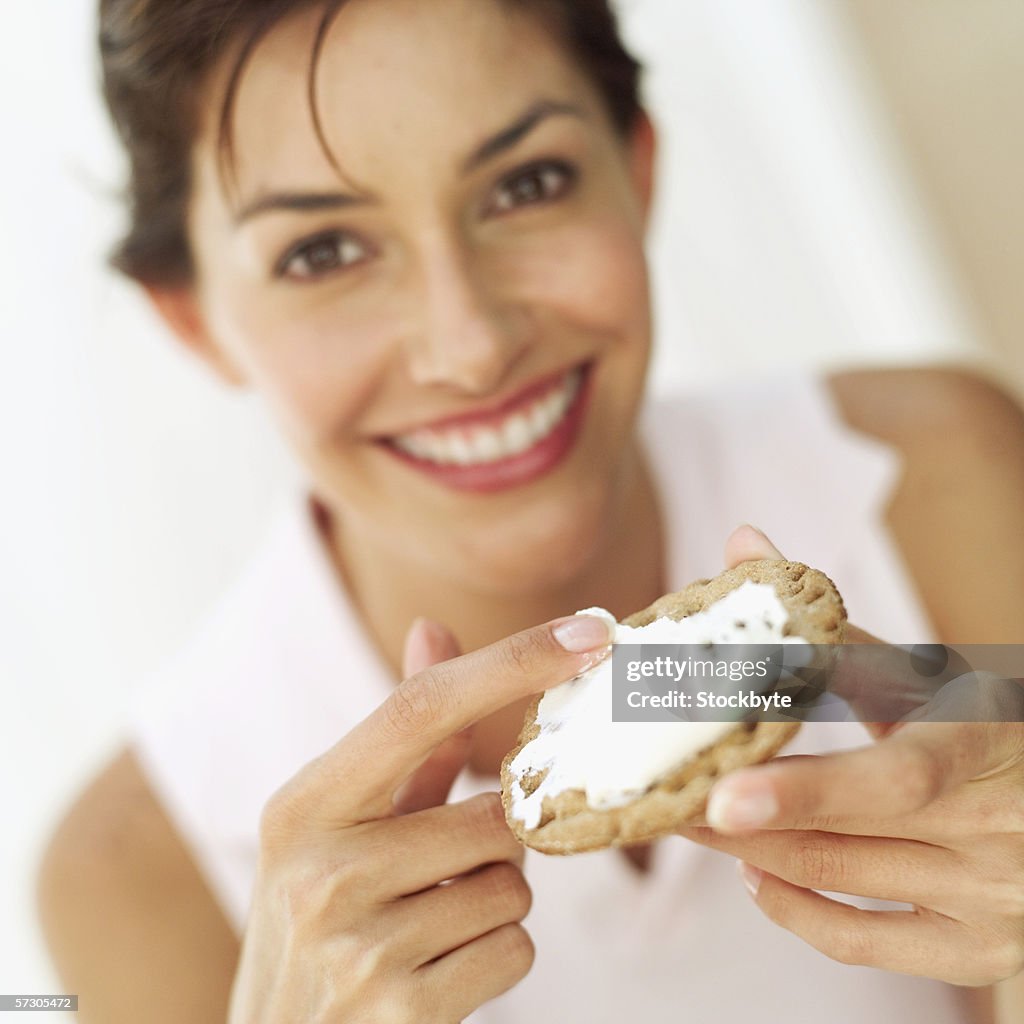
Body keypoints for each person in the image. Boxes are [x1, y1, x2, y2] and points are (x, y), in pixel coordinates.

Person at [37, 0, 1024, 1021]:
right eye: (322, 251)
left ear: (637, 170)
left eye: (526, 184)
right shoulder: (129, 874)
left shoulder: (932, 474)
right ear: (193, 319)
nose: (470, 344)